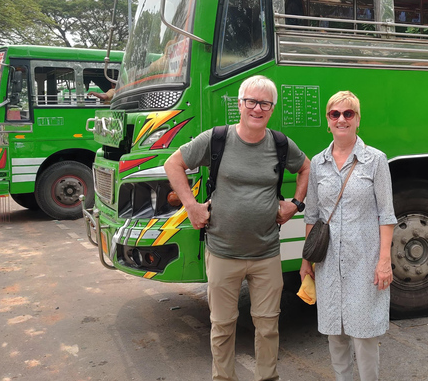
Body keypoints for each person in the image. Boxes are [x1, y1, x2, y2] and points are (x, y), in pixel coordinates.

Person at [164, 75, 310, 381]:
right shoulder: (216, 139)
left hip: (266, 253)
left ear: (272, 108)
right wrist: (191, 206)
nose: (257, 109)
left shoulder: (280, 144)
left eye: (265, 103)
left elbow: (306, 167)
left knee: (268, 325)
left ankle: (267, 377)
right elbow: (173, 164)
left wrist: (295, 204)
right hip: (222, 253)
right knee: (222, 326)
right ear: (240, 105)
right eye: (251, 102)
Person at [300, 91, 396, 381]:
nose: (341, 119)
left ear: (357, 120)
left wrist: (384, 261)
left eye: (348, 114)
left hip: (364, 262)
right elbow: (313, 216)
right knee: (335, 334)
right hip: (328, 264)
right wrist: (307, 261)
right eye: (335, 114)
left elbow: (387, 215)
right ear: (328, 121)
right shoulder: (317, 163)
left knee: (364, 335)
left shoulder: (376, 161)